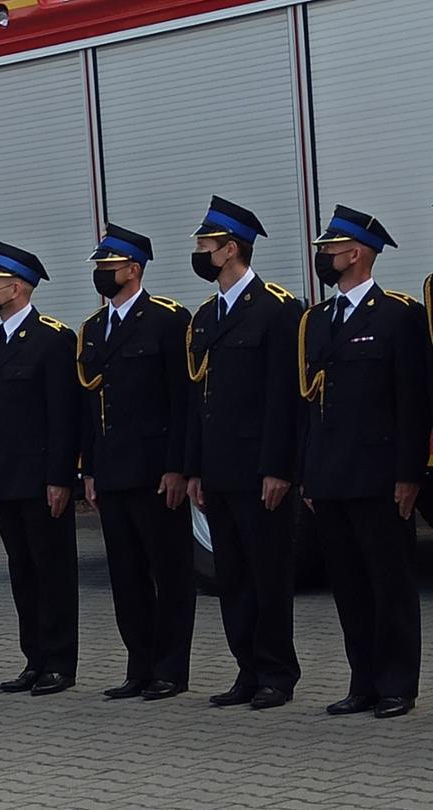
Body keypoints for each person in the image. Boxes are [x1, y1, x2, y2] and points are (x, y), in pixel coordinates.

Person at [301, 206, 428, 719]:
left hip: (378, 477)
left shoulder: (398, 315)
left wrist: (409, 474)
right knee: (350, 586)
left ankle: (398, 684)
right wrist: (309, 473)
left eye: (329, 251)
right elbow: (310, 405)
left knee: (390, 583)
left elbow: (415, 403)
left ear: (355, 253)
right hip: (331, 476)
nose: (322, 258)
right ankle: (364, 681)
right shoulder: (319, 320)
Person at [185, 196, 303, 710]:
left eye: (206, 246)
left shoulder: (278, 309)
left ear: (230, 249)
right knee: (231, 578)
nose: (199, 254)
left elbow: (285, 397)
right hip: (218, 470)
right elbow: (198, 400)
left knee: (268, 574)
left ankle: (277, 671)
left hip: (260, 470)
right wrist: (193, 469)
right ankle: (247, 669)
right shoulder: (205, 316)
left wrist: (279, 467)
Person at [76, 225, 197, 702]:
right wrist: (88, 468)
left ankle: (170, 668)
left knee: (169, 573)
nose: (101, 274)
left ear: (134, 268)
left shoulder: (167, 320)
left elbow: (182, 401)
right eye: (99, 267)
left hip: (154, 471)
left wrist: (177, 467)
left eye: (109, 266)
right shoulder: (93, 328)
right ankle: (139, 665)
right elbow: (89, 405)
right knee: (125, 576)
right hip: (111, 470)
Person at [0, 242, 80, 697]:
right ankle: (33, 658)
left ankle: (59, 661)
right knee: (22, 572)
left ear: (17, 288)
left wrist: (60, 478)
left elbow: (63, 415)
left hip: (40, 478)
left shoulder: (52, 339)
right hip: (5, 476)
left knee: (52, 571)